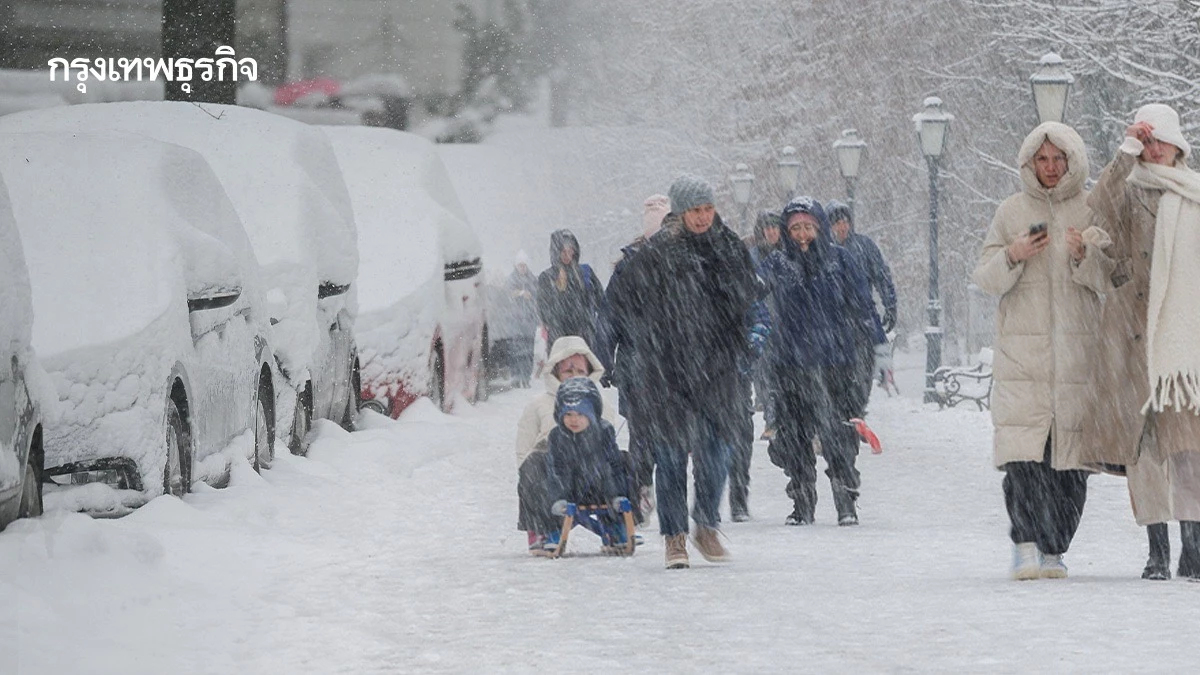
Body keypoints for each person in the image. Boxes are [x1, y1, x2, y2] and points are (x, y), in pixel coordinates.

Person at [971, 121, 1112, 580]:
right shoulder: (1011, 211)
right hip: (1023, 361)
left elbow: (1111, 279)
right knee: (1025, 460)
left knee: (1070, 465)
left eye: (1058, 159)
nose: (1051, 168)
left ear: (1072, 162)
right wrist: (1012, 254)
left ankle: (1056, 548)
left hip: (1077, 359)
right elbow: (985, 279)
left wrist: (1082, 256)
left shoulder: (1092, 209)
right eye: (1042, 160)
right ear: (1029, 163)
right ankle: (1026, 544)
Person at [607, 174, 762, 569]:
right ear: (680, 210)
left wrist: (751, 335)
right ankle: (675, 538)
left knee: (717, 453)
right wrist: (636, 352)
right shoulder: (655, 255)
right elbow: (621, 308)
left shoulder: (728, 247)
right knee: (672, 458)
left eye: (708, 208)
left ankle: (706, 525)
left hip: (718, 368)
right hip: (667, 371)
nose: (702, 217)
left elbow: (752, 297)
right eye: (695, 210)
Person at [1080, 104, 1200, 581]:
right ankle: (1156, 550)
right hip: (1133, 332)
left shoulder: (1195, 194)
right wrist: (1124, 151)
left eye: (1159, 142)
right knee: (1145, 449)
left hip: (1184, 340)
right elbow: (1099, 208)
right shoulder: (1127, 188)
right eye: (1146, 143)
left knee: (1188, 448)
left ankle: (1193, 549)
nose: (1153, 150)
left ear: (1178, 146)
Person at [759, 196, 885, 527]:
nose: (802, 235)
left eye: (808, 227)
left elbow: (862, 306)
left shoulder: (840, 261)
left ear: (819, 228)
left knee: (838, 434)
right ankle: (802, 502)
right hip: (791, 365)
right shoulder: (775, 265)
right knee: (794, 436)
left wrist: (874, 343)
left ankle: (845, 501)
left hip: (835, 362)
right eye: (796, 228)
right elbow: (757, 304)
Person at [515, 336, 621, 554]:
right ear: (555, 373)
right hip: (553, 479)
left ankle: (616, 525)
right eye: (567, 372)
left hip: (592, 478)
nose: (574, 377)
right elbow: (523, 448)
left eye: (581, 372)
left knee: (625, 461)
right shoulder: (539, 404)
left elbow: (607, 443)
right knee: (532, 463)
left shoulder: (599, 403)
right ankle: (541, 529)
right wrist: (533, 473)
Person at [603, 194, 671, 516]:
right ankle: (643, 486)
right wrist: (604, 359)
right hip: (640, 365)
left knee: (663, 435)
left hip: (670, 365)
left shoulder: (680, 263)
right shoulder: (629, 268)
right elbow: (610, 317)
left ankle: (659, 488)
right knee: (643, 434)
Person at [546, 377, 632, 553]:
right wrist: (557, 497)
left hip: (601, 490)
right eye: (568, 414)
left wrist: (617, 494)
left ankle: (616, 528)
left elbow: (614, 466)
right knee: (540, 474)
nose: (574, 420)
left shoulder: (604, 432)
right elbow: (555, 470)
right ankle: (554, 530)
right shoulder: (557, 437)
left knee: (624, 463)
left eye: (580, 414)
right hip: (568, 490)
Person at [826, 200, 896, 399]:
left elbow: (882, 276)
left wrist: (890, 304)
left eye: (845, 222)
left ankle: (857, 408)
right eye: (837, 223)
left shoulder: (863, 246)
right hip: (833, 327)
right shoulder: (823, 252)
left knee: (862, 373)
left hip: (861, 320)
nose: (842, 227)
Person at [536, 229, 605, 353]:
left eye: (570, 250)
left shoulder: (585, 273)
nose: (567, 255)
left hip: (584, 337)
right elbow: (543, 310)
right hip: (559, 340)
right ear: (556, 252)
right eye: (563, 251)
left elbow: (601, 299)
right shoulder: (547, 277)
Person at [746, 210, 782, 441]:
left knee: (781, 376)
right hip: (761, 324)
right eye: (766, 227)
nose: (770, 231)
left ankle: (780, 419)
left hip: (786, 325)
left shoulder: (788, 256)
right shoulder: (753, 257)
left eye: (774, 227)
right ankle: (771, 419)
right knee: (763, 376)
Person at [506, 251, 539, 387]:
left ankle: (526, 376)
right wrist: (520, 293)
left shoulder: (533, 279)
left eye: (524, 265)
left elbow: (538, 296)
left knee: (528, 349)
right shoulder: (511, 279)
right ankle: (516, 376)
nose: (522, 268)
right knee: (515, 348)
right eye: (520, 265)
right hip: (515, 320)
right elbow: (507, 293)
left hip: (529, 320)